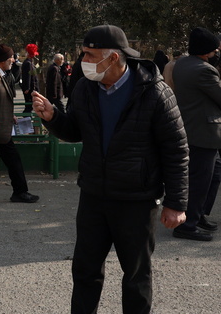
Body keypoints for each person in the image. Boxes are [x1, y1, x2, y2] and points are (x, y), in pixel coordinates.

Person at [32, 24, 188, 314]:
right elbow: (76, 130)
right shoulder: (84, 88)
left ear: (113, 57)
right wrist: (53, 117)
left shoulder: (155, 92)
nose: (83, 62)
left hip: (137, 201)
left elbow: (176, 149)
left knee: (136, 277)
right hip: (94, 196)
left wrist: (176, 203)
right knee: (85, 272)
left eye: (89, 55)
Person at [170, 27, 221, 241]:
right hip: (203, 132)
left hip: (191, 128)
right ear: (206, 50)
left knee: (212, 174)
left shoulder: (182, 64)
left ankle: (198, 215)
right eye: (215, 49)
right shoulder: (204, 70)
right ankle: (188, 225)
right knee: (201, 180)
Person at [0, 44, 39, 204]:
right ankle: (20, 192)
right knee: (13, 162)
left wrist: (9, 115)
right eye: (11, 57)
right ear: (3, 60)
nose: (13, 59)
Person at [21, 43, 39, 114]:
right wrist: (27, 88)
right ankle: (26, 118)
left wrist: (36, 63)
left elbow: (38, 70)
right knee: (29, 105)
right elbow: (27, 76)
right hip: (31, 88)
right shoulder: (28, 63)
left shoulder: (31, 63)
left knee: (31, 105)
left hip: (32, 87)